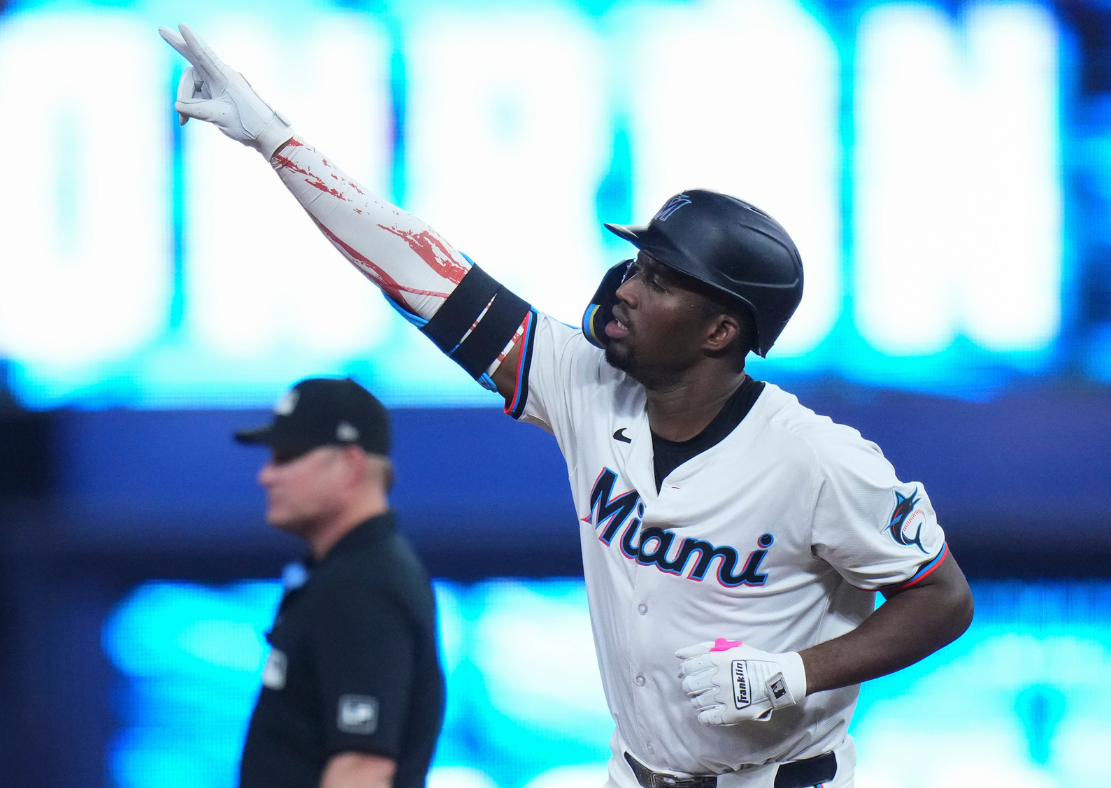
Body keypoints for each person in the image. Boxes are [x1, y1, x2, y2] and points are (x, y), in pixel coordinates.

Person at [162, 24, 974, 788]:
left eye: (659, 278)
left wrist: (795, 672)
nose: (626, 285)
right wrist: (276, 141)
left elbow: (941, 597)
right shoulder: (582, 383)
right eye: (635, 264)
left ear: (722, 327)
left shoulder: (816, 458)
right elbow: (424, 272)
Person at [232, 377, 445, 788]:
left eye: (286, 456)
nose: (266, 476)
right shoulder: (344, 572)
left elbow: (362, 770)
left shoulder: (363, 585)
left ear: (349, 464)